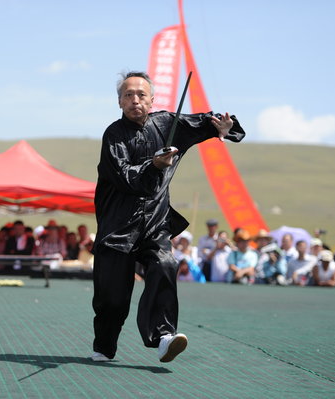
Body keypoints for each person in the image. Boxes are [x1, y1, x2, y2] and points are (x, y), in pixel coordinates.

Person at [91, 71, 245, 363]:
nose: (135, 100)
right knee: (112, 300)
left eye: (141, 95)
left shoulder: (168, 123)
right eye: (128, 95)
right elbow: (125, 177)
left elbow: (206, 121)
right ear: (119, 101)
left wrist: (225, 127)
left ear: (152, 100)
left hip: (155, 222)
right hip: (117, 228)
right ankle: (104, 346)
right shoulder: (113, 135)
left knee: (165, 263)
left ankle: (163, 337)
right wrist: (154, 165)